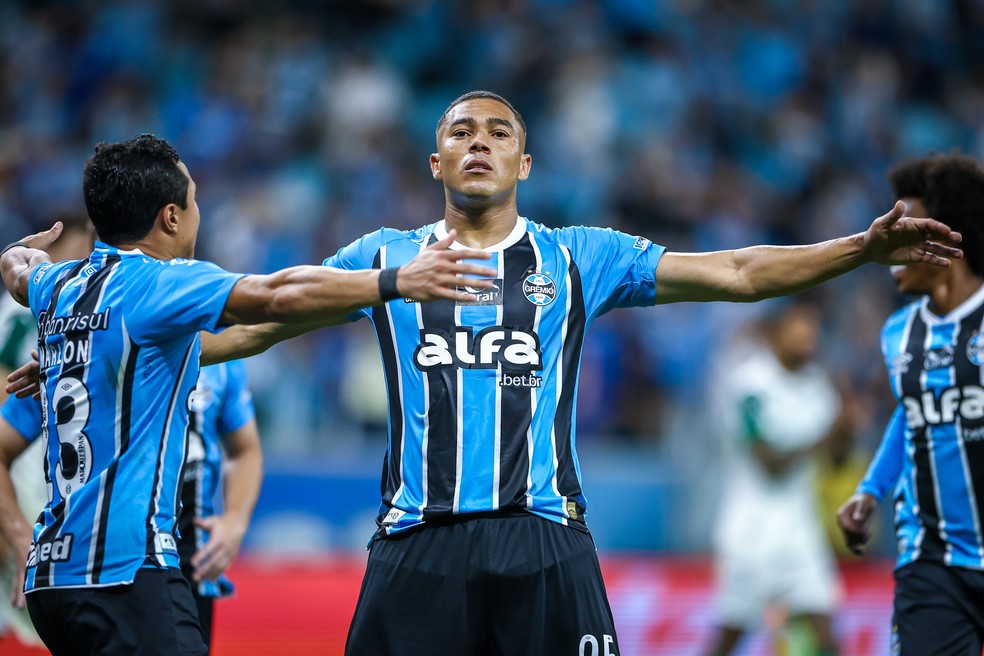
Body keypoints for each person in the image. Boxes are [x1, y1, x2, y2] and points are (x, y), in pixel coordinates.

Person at [0, 96, 964, 655]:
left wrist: (856, 250)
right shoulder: (385, 255)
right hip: (416, 548)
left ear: (526, 161)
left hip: (547, 544)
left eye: (497, 132)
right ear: (433, 160)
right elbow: (248, 336)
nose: (477, 141)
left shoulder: (580, 256)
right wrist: (79, 365)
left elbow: (740, 273)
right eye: (460, 130)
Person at [0, 134, 495, 656]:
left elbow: (17, 269)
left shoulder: (58, 286)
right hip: (126, 573)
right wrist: (395, 280)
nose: (198, 213)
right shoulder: (157, 284)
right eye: (193, 200)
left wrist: (18, 258)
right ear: (171, 216)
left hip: (53, 580)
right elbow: (273, 295)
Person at [837, 153, 984, 655]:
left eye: (907, 230)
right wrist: (871, 489)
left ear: (946, 239)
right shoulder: (898, 334)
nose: (891, 246)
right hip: (932, 564)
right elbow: (911, 411)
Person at [707, 300, 850, 656]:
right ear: (774, 333)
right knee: (730, 638)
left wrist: (847, 426)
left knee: (826, 637)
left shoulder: (818, 385)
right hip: (751, 534)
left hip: (800, 533)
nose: (808, 337)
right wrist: (827, 434)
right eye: (799, 328)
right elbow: (770, 464)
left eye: (813, 330)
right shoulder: (749, 386)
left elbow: (835, 461)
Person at [0, 213, 92, 649]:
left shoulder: (91, 310)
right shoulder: (20, 319)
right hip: (26, 470)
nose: (81, 263)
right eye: (73, 253)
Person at [180, 360, 262, 651]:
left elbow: (245, 450)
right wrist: (26, 530)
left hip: (194, 564)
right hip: (115, 563)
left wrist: (235, 523)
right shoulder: (109, 332)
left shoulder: (224, 362)